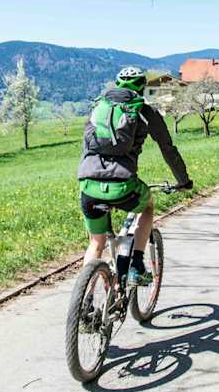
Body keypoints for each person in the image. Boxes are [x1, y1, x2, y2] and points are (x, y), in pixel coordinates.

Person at [77, 66, 193, 285]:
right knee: (147, 205)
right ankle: (136, 266)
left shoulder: (98, 108)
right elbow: (168, 150)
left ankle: (86, 297)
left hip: (88, 184)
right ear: (142, 86)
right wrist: (183, 181)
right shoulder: (145, 112)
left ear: (117, 84)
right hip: (123, 185)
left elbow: (87, 147)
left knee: (96, 243)